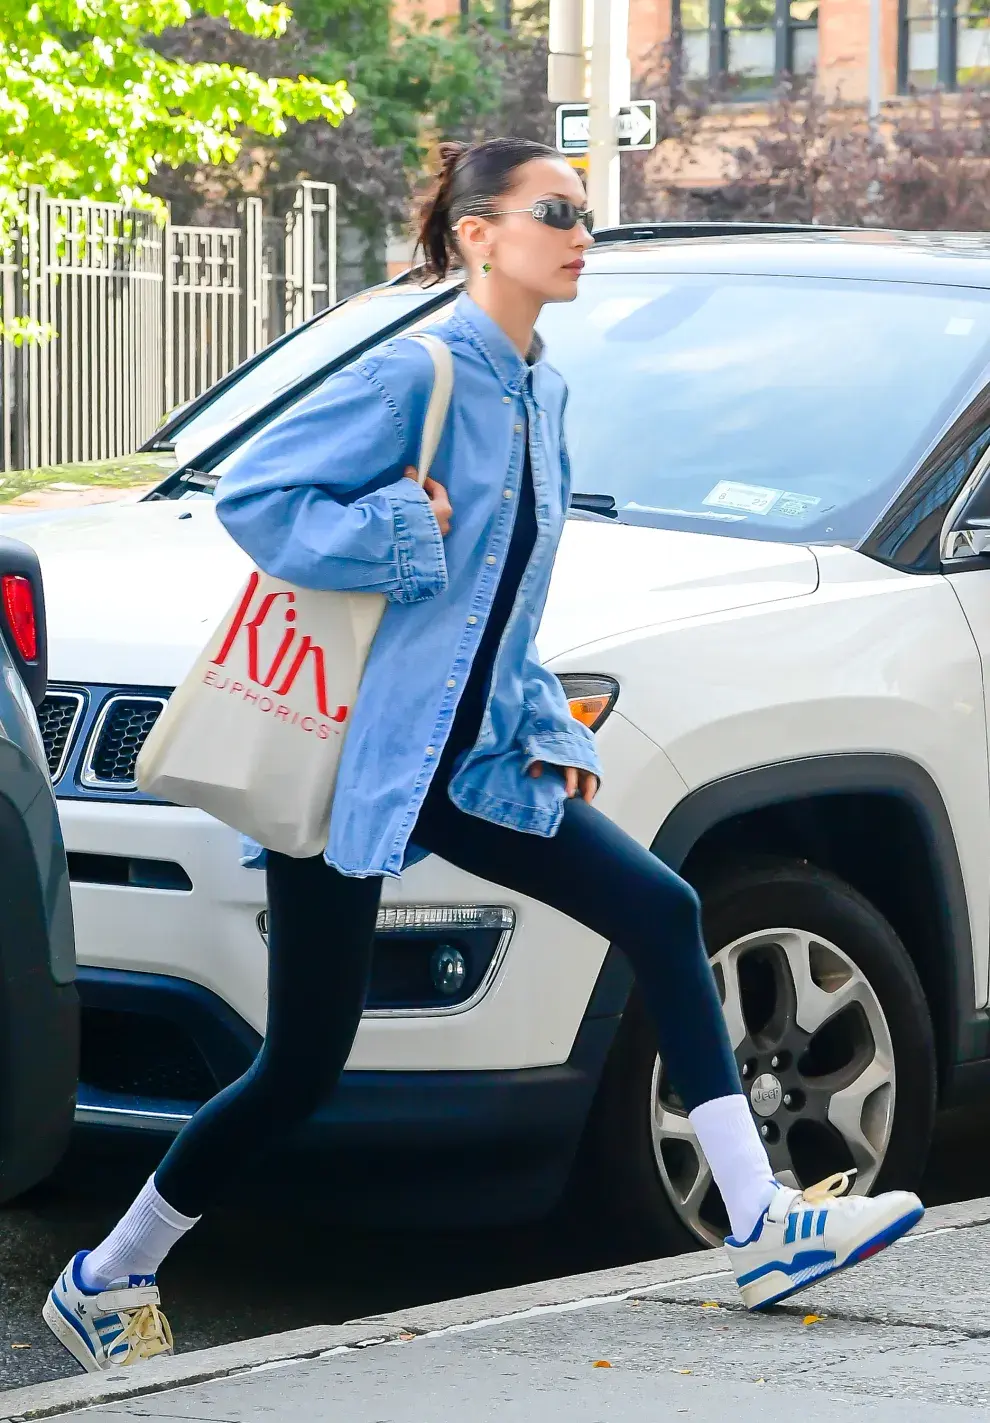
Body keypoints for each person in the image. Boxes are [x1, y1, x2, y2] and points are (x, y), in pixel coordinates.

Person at [44, 136, 924, 1373]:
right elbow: (263, 496)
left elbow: (498, 608)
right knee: (302, 1064)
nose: (581, 234)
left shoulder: (541, 393)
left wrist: (542, 728)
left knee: (662, 910)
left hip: (473, 766)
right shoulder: (420, 371)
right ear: (476, 235)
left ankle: (763, 1221)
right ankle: (109, 1271)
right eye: (556, 211)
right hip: (361, 764)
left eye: (588, 215)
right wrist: (398, 525)